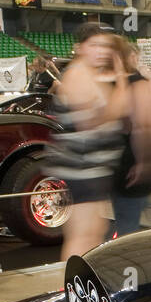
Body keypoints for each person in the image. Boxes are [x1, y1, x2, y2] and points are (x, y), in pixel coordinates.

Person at [49, 23, 129, 260]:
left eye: (105, 46)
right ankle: (69, 289)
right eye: (94, 45)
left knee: (94, 232)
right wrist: (123, 81)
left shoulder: (91, 75)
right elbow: (100, 118)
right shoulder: (77, 75)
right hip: (81, 171)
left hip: (92, 170)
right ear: (80, 48)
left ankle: (78, 286)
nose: (101, 51)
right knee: (82, 236)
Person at [111, 42, 151, 236]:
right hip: (129, 164)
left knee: (128, 224)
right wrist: (144, 161)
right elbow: (142, 124)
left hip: (124, 163)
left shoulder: (121, 84)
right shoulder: (135, 84)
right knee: (129, 229)